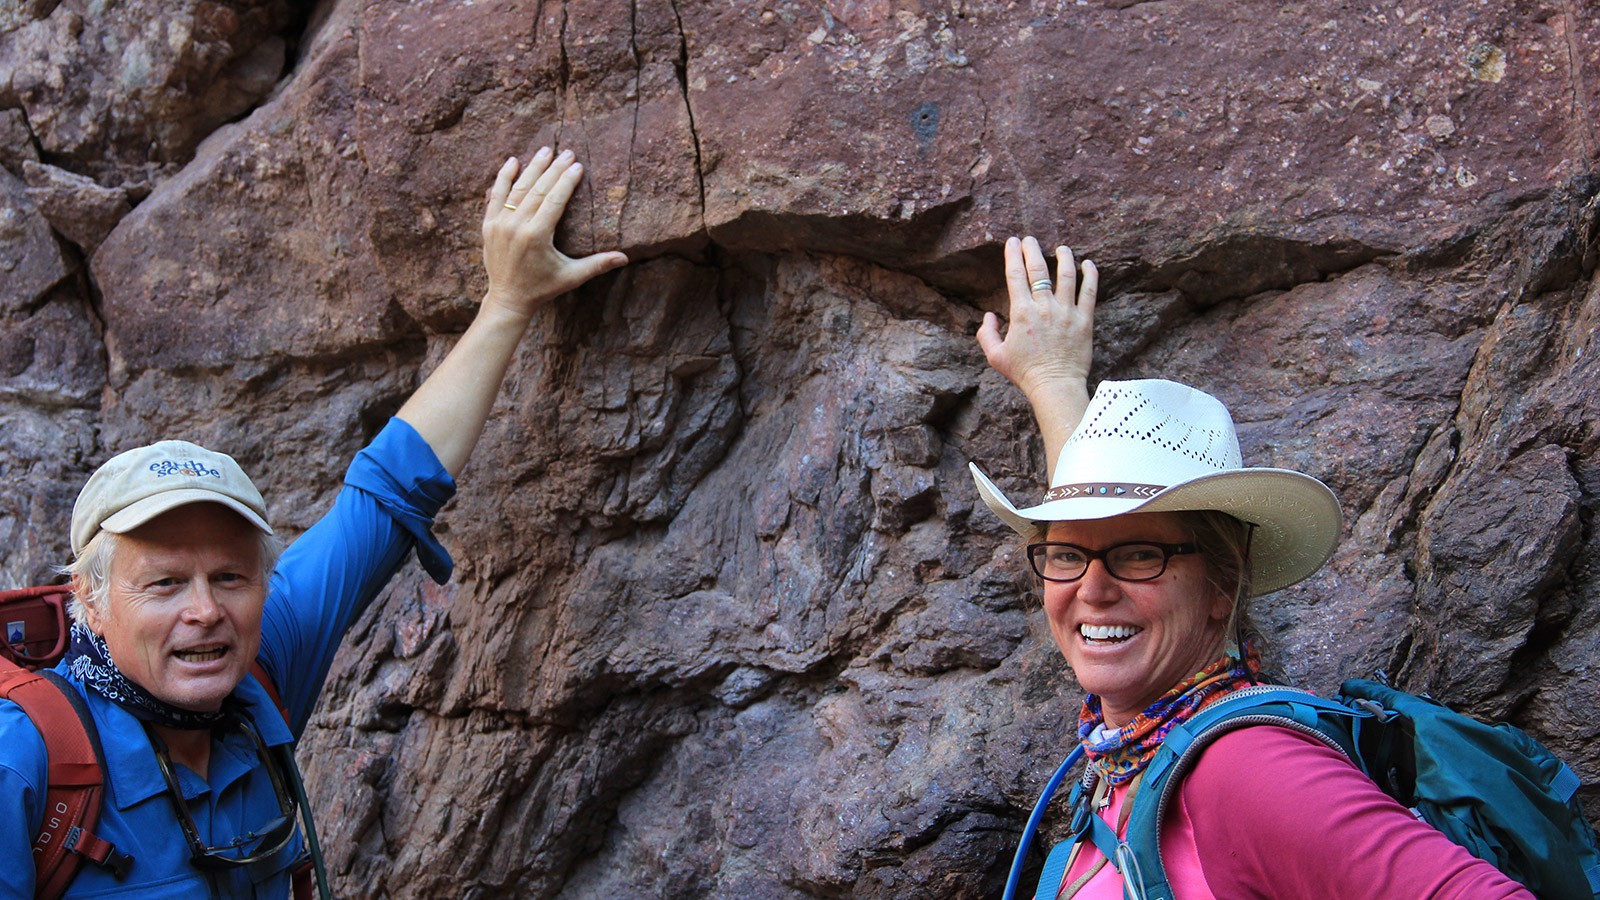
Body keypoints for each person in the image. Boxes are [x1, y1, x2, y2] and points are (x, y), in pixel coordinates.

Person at [0, 146, 627, 897]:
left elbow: (389, 490)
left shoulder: (260, 666)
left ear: (262, 586)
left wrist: (507, 304)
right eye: (163, 583)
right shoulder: (25, 761)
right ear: (91, 605)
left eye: (228, 575)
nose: (205, 611)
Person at [971, 236, 1533, 898]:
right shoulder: (1133, 740)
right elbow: (1106, 568)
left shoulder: (1245, 768)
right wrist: (1053, 381)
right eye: (1065, 556)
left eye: (1139, 556)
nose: (1091, 590)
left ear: (1223, 583)